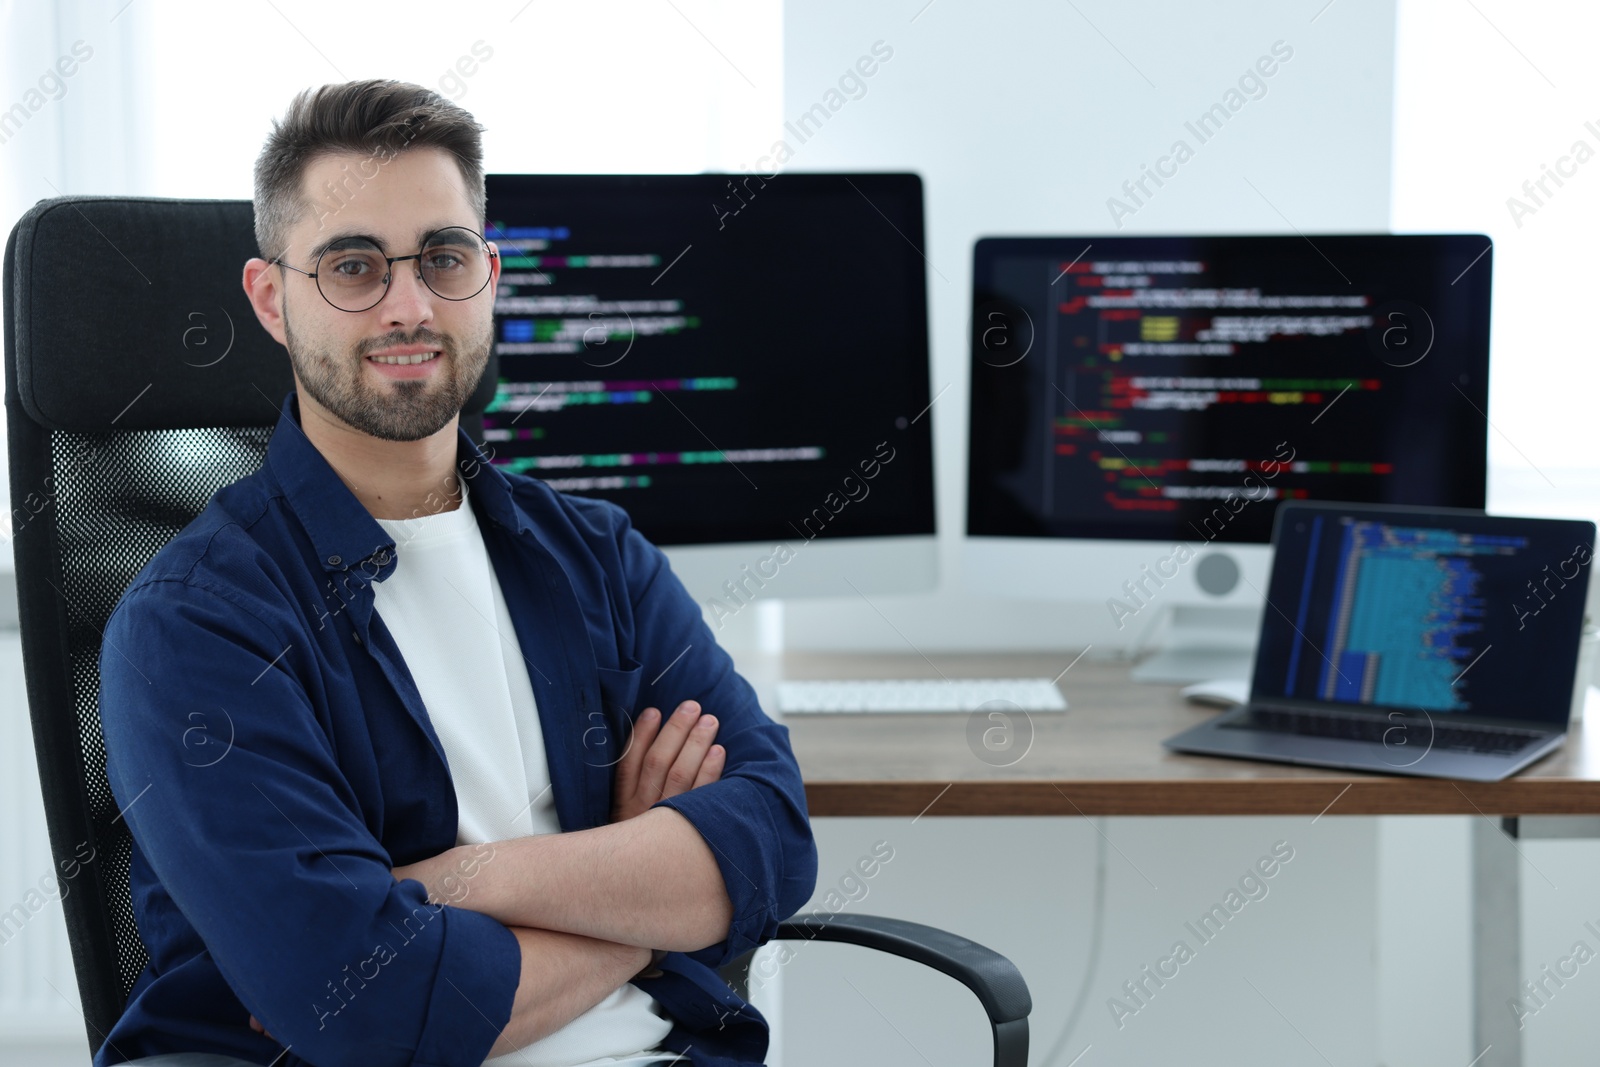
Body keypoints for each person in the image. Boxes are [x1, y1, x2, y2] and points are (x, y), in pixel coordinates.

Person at [94, 79, 817, 1067]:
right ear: (272, 298)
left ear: (489, 274)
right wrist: (643, 899)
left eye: (443, 257)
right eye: (353, 265)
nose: (409, 305)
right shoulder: (197, 623)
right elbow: (372, 1006)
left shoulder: (599, 556)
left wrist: (456, 879)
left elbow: (772, 843)